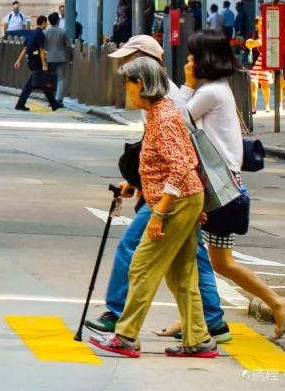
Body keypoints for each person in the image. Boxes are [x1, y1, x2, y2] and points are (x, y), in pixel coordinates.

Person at [86, 35, 230, 345]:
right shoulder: (156, 111)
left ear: (144, 79)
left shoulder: (164, 114)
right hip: (180, 196)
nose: (125, 87)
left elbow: (181, 164)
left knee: (141, 264)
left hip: (174, 199)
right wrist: (139, 183)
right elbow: (173, 158)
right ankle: (200, 338)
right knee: (182, 274)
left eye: (128, 82)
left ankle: (124, 333)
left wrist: (160, 211)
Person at [182, 30, 285, 339]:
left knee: (214, 261)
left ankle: (275, 301)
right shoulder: (219, 90)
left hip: (220, 191)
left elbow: (178, 120)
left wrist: (187, 85)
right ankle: (192, 315)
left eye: (192, 58)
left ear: (204, 60)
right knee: (203, 258)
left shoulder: (210, 93)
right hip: (225, 187)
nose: (188, 63)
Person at [13, 15, 58, 111]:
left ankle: (54, 103)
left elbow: (25, 48)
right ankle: (20, 104)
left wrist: (18, 60)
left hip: (30, 60)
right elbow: (41, 50)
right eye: (46, 23)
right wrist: (44, 64)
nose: (46, 25)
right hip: (37, 62)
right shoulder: (40, 34)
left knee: (42, 81)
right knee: (33, 83)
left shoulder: (30, 33)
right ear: (43, 23)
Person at [44, 12, 73, 105]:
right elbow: (69, 46)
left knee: (50, 79)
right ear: (58, 20)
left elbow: (43, 46)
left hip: (49, 58)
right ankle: (59, 99)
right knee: (61, 79)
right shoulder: (63, 31)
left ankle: (51, 99)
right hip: (61, 58)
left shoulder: (45, 32)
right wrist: (71, 57)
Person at [245, 18, 272, 113]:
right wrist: (254, 42)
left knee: (265, 85)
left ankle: (267, 105)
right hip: (254, 64)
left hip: (264, 64)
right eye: (261, 22)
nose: (262, 24)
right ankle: (253, 107)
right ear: (256, 24)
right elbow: (247, 44)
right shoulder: (253, 34)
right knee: (253, 85)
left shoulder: (268, 34)